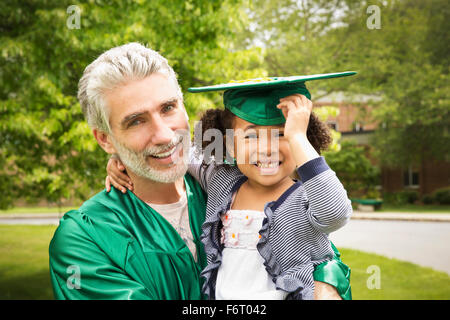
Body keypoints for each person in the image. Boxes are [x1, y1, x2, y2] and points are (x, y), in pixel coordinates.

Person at [106, 72, 356, 299]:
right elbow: (176, 148)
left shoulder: (304, 200)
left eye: (281, 133)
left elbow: (335, 212)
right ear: (230, 146)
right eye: (251, 135)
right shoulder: (222, 181)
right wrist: (123, 157)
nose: (267, 148)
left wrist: (298, 136)